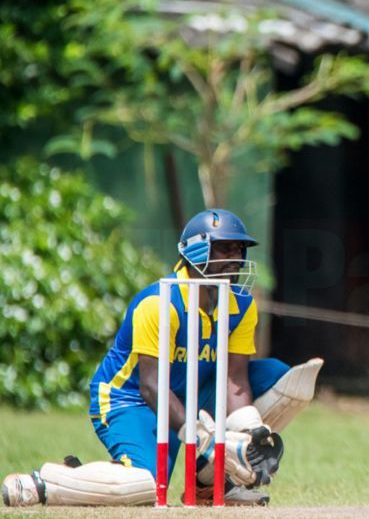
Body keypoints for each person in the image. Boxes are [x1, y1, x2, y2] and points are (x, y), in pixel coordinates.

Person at [2, 208, 324, 507]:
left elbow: (235, 380)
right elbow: (152, 386)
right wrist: (203, 439)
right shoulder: (161, 303)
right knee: (143, 485)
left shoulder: (240, 305)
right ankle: (44, 482)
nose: (235, 259)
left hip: (191, 390)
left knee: (284, 382)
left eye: (239, 250)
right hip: (130, 399)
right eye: (224, 249)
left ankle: (210, 483)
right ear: (196, 253)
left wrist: (251, 434)